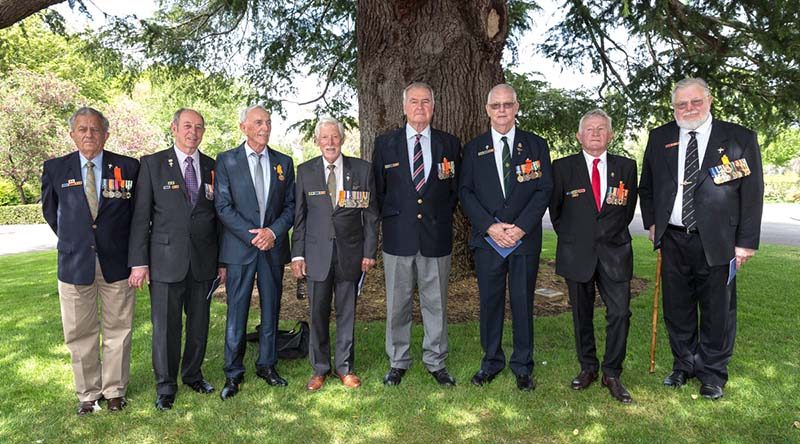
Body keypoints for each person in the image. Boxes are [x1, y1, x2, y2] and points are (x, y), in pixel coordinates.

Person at [639, 77, 764, 400]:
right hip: (674, 239)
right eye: (681, 104)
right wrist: (653, 223)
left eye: (695, 102)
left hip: (719, 240)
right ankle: (683, 364)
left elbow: (752, 194)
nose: (689, 108)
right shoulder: (661, 137)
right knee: (677, 307)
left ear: (709, 101)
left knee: (717, 309)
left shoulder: (738, 138)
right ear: (674, 107)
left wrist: (746, 242)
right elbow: (648, 187)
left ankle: (712, 372)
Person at [41, 107, 139, 415]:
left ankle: (114, 391)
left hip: (117, 263)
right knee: (79, 333)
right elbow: (51, 211)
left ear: (106, 134)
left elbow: (137, 217)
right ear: (72, 134)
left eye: (95, 129)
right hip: (74, 263)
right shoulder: (56, 168)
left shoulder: (128, 167)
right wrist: (76, 239)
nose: (88, 134)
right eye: (82, 129)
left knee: (118, 329)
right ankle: (87, 394)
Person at [128, 108, 226, 410]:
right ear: (173, 128)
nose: (192, 132)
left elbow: (218, 219)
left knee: (199, 325)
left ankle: (193, 375)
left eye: (198, 127)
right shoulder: (152, 164)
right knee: (166, 328)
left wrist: (222, 262)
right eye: (186, 126)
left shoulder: (213, 166)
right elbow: (140, 217)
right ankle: (166, 385)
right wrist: (139, 262)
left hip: (203, 263)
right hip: (165, 261)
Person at [460, 83, 553, 391]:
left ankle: (523, 365)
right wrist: (490, 226)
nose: (502, 110)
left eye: (507, 104)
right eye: (496, 105)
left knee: (523, 302)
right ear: (487, 110)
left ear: (516, 107)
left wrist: (521, 227)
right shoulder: (474, 149)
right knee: (490, 302)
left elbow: (544, 190)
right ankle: (491, 361)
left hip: (523, 239)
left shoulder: (536, 145)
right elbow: (466, 192)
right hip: (489, 241)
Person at [372, 82, 461, 387]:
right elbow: (378, 193)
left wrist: (436, 216)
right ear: (404, 107)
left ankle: (435, 360)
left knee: (435, 303)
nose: (420, 107)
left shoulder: (449, 144)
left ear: (433, 107)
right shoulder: (385, 144)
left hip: (436, 237)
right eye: (414, 101)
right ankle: (398, 360)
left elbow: (453, 191)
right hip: (399, 238)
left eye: (425, 101)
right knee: (397, 304)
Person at [549, 109, 638, 403]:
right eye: (590, 129)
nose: (596, 134)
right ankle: (588, 367)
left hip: (615, 253)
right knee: (581, 315)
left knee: (620, 313)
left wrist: (604, 234)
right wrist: (579, 237)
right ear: (579, 136)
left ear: (610, 135)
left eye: (602, 129)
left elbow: (626, 209)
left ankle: (611, 371)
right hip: (577, 253)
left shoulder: (626, 167)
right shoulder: (562, 168)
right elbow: (557, 214)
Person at [291, 117, 379, 391]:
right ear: (317, 141)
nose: (330, 142)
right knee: (317, 314)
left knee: (347, 313)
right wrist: (297, 256)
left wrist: (369, 252)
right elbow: (300, 218)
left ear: (341, 139)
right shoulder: (305, 171)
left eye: (335, 137)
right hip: (316, 256)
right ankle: (319, 369)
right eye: (324, 137)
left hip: (350, 254)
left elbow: (371, 216)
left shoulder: (362, 170)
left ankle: (344, 368)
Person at [215, 104, 296, 399]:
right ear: (243, 127)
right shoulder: (226, 161)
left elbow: (291, 206)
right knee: (237, 313)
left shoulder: (284, 163)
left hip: (272, 249)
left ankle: (267, 365)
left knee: (272, 309)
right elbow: (222, 206)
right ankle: (233, 373)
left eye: (268, 122)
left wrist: (272, 232)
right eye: (258, 122)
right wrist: (254, 237)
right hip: (240, 250)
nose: (264, 127)